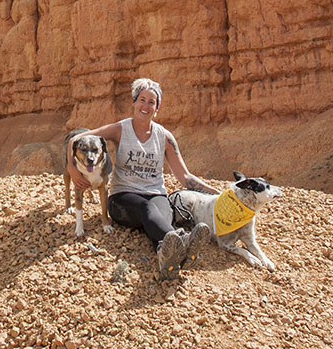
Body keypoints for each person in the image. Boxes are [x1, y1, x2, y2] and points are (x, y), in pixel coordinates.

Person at [67, 78, 220, 279]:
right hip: (123, 199)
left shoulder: (164, 137)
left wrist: (218, 193)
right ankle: (183, 242)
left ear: (157, 108)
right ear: (134, 102)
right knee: (148, 210)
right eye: (142, 100)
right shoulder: (120, 129)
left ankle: (169, 261)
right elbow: (75, 139)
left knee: (162, 215)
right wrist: (73, 169)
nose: (146, 105)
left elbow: (185, 177)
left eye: (151, 102)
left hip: (155, 194)